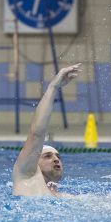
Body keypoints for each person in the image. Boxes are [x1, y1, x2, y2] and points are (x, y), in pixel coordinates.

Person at [12, 63, 82, 196]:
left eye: (58, 156)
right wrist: (53, 87)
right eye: (47, 156)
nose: (56, 159)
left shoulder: (67, 198)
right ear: (33, 162)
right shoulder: (26, 177)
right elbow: (36, 134)